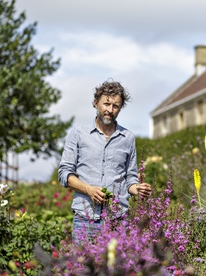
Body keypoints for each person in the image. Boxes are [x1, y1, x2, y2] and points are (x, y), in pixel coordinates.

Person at [58, 80, 152, 240]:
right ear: (96, 103)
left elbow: (130, 178)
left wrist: (137, 189)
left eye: (115, 106)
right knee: (82, 264)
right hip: (85, 219)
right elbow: (64, 174)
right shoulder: (78, 134)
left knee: (116, 265)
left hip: (118, 220)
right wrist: (89, 190)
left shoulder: (127, 138)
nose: (110, 110)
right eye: (106, 104)